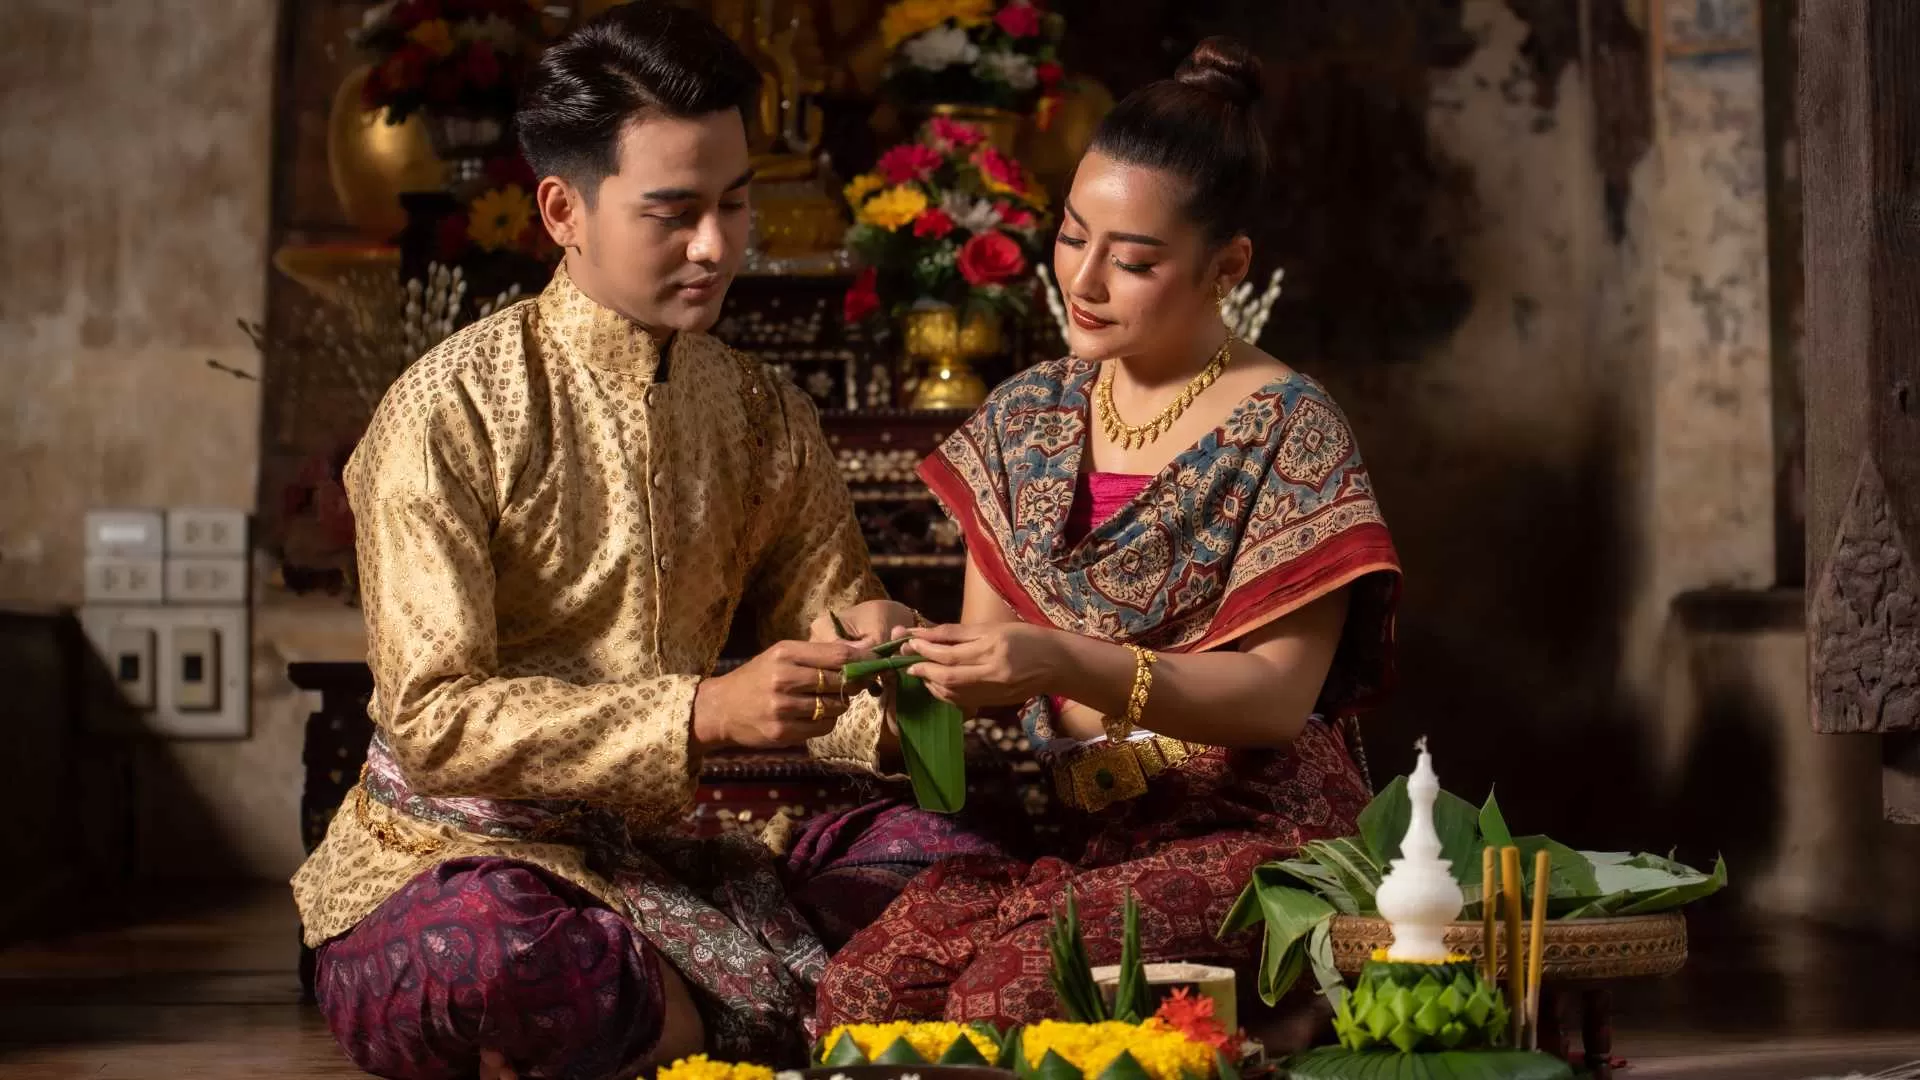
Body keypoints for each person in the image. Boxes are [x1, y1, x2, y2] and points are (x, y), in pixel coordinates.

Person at [290, 6, 921, 1079]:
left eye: (735, 203)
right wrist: (701, 709)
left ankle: (666, 1022)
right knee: (497, 952)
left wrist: (897, 671)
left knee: (940, 865)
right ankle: (714, 1016)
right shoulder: (448, 415)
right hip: (451, 856)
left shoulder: (764, 413)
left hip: (669, 855)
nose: (718, 245)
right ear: (563, 210)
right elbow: (437, 720)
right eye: (673, 212)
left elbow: (836, 638)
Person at [809, 36, 1404, 1031]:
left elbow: (1271, 701)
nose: (1083, 281)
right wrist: (901, 652)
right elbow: (980, 685)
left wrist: (1060, 660)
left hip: (1265, 836)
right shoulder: (1026, 416)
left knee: (1012, 999)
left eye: (1131, 261)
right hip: (1096, 838)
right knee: (862, 994)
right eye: (1072, 237)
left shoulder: (1290, 428)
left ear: (1228, 266)